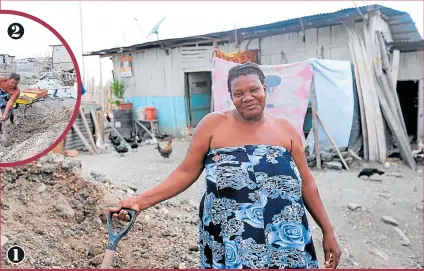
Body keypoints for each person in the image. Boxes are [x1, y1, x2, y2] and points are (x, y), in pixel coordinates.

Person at [109, 62, 341, 269]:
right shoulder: (212, 126)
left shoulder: (286, 129)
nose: (247, 97)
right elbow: (185, 172)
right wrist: (139, 202)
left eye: (254, 90)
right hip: (232, 239)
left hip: (286, 240)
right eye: (238, 93)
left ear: (265, 90)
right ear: (231, 97)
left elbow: (307, 182)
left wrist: (327, 231)